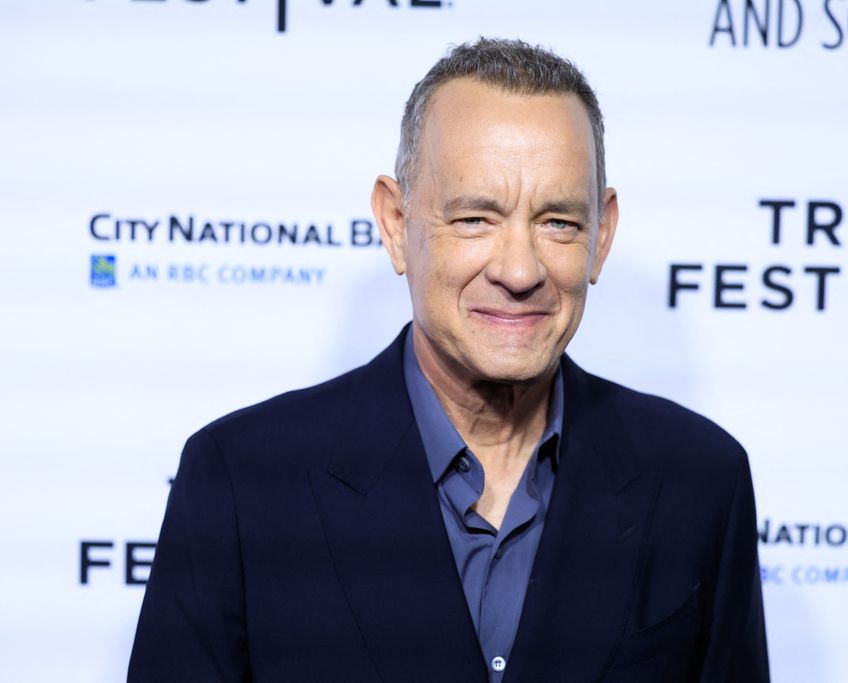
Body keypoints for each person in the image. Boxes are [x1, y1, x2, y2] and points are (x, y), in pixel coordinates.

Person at [128, 38, 769, 682]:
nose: (519, 271)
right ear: (395, 222)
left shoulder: (700, 481)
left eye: (558, 223)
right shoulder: (243, 481)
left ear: (601, 235)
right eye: (474, 219)